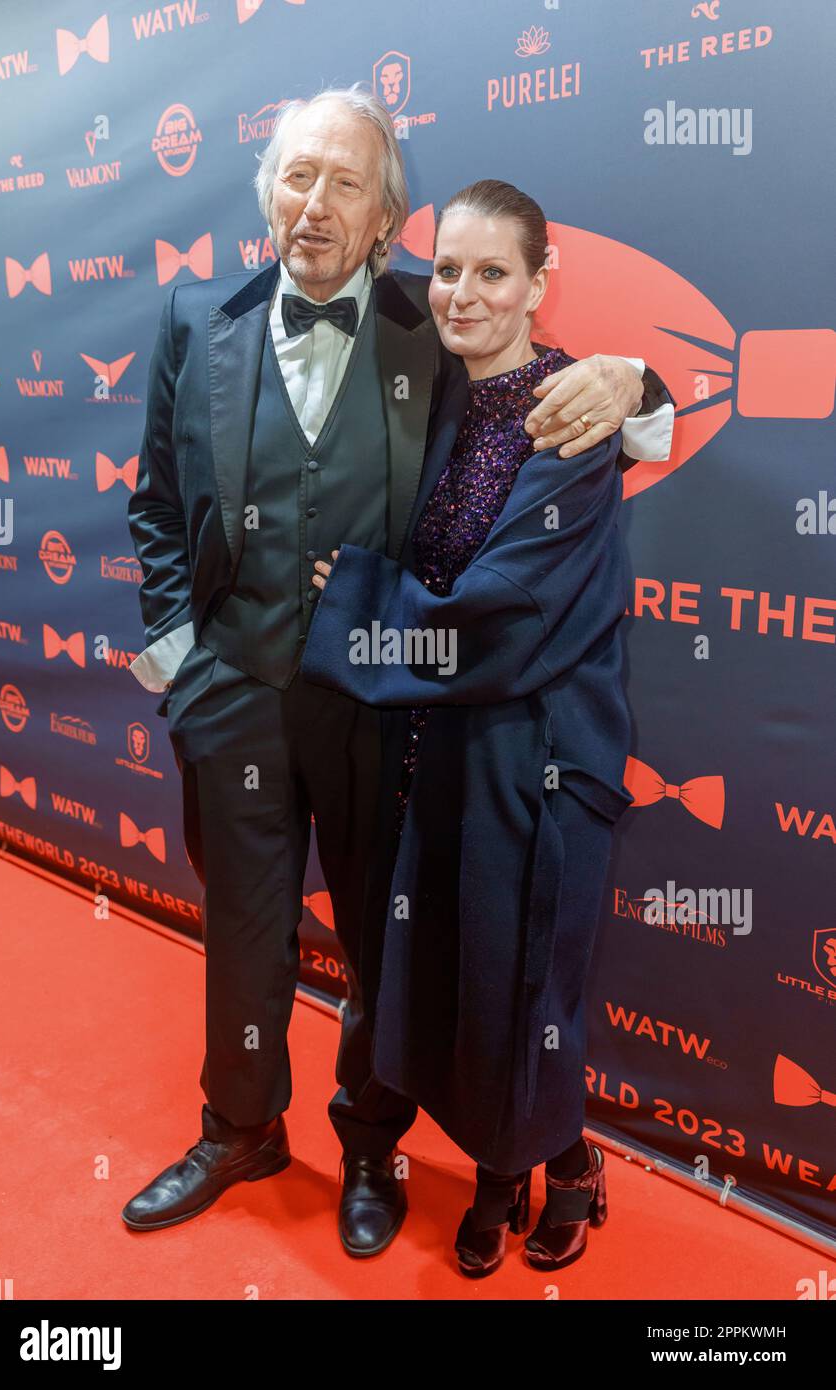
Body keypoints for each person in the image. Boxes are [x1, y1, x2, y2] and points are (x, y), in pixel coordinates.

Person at [123, 83, 674, 1257]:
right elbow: (157, 505)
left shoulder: (436, 321)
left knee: (386, 934)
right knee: (243, 927)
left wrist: (636, 380)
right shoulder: (191, 319)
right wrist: (178, 652)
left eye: (346, 184)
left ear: (386, 221)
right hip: (233, 694)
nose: (314, 204)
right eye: (297, 176)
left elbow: (557, 383)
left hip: (380, 702)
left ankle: (370, 1139)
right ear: (267, 190)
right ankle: (240, 1127)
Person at [302, 178, 634, 1277]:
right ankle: (534, 1163)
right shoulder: (438, 392)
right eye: (446, 268)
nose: (462, 292)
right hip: (442, 748)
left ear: (541, 286)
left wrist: (342, 601)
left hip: (536, 752)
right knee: (459, 976)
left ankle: (541, 1177)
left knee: (521, 980)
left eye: (492, 271)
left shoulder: (572, 419)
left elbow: (500, 617)